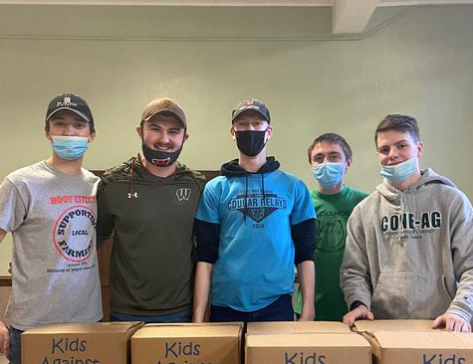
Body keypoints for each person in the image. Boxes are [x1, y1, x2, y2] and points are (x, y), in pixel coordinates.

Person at [0, 93, 102, 364]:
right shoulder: (21, 183)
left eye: (77, 125)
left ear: (91, 134)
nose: (69, 132)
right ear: (47, 131)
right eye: (60, 124)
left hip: (87, 324)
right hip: (33, 327)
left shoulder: (97, 187)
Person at [341, 113, 473, 332]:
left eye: (401, 146)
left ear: (418, 148)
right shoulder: (364, 211)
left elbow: (470, 265)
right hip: (384, 327)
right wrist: (359, 303)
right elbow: (354, 272)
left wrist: (460, 310)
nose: (392, 155)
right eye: (384, 150)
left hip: (443, 325)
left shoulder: (452, 201)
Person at [193, 98, 316, 323]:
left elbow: (305, 252)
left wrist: (308, 306)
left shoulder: (294, 187)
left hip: (276, 304)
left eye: (257, 124)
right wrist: (198, 317)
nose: (250, 129)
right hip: (225, 303)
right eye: (242, 124)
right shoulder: (216, 188)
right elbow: (205, 256)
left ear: (268, 131)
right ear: (233, 131)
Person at [96, 98, 205, 323]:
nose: (164, 139)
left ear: (184, 137)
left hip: (182, 311)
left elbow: (211, 248)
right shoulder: (113, 183)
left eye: (173, 131)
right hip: (125, 313)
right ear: (140, 131)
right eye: (155, 129)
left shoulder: (197, 185)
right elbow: (87, 241)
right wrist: (41, 261)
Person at [294, 133, 368, 321]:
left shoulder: (365, 203)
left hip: (357, 306)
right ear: (312, 165)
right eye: (319, 158)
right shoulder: (302, 204)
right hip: (310, 308)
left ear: (348, 163)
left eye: (334, 156)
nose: (325, 163)